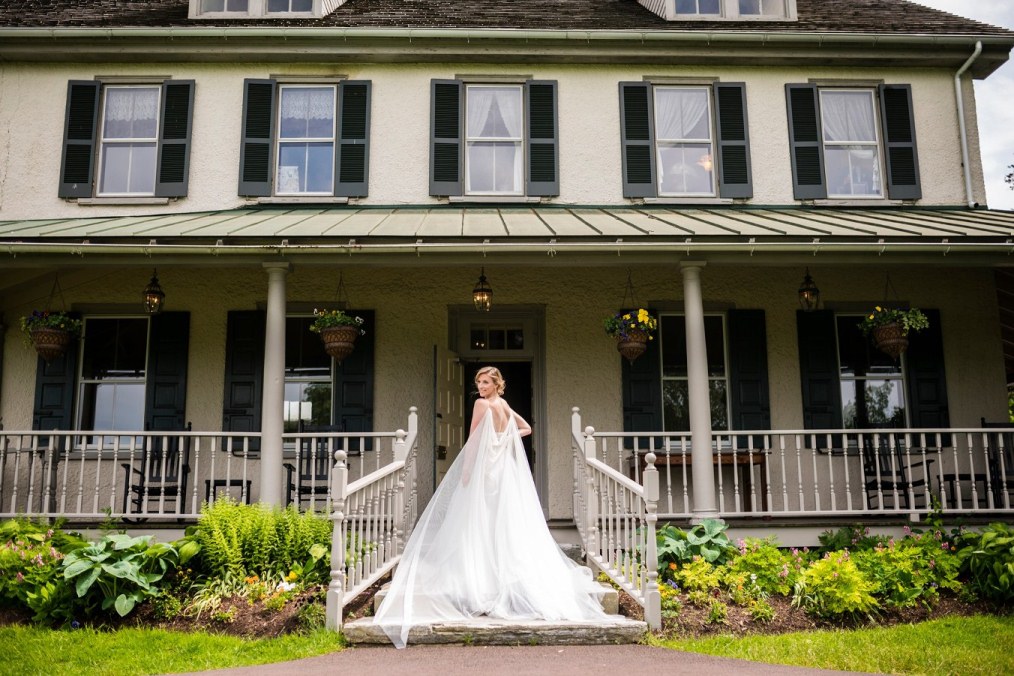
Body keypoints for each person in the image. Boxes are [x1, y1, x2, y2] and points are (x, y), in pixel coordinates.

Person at [373, 366, 608, 648]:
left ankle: (483, 578)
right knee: (501, 520)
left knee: (479, 520)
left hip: (487, 470)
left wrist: (467, 470)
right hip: (505, 471)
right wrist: (504, 438)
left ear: (496, 384)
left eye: (485, 382)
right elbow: (526, 429)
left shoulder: (482, 405)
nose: (480, 387)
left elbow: (472, 440)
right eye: (478, 383)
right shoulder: (504, 405)